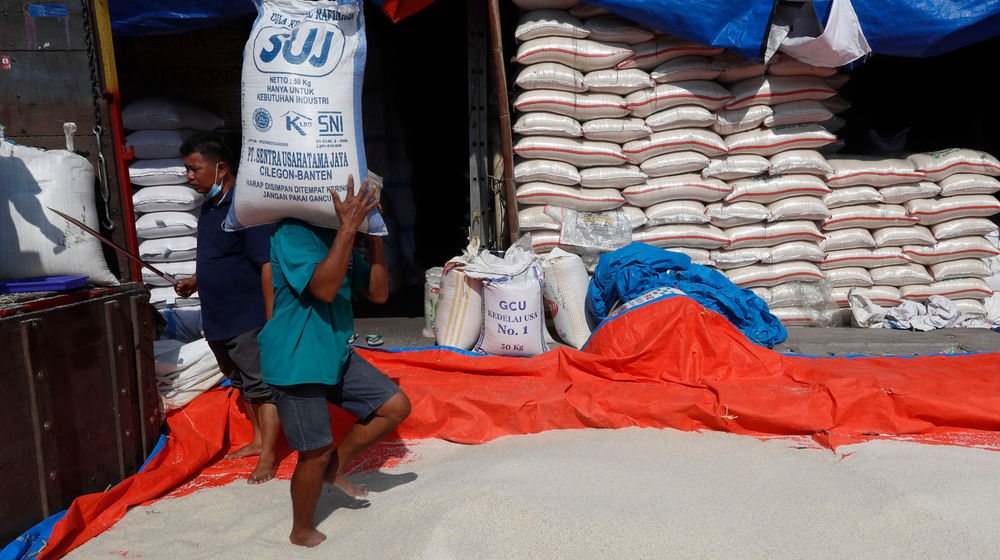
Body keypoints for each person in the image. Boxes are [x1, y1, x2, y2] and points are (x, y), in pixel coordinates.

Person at [259, 175, 411, 548]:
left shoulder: (339, 239)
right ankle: (301, 529)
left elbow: (377, 293)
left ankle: (332, 469)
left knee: (395, 406)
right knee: (314, 450)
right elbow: (324, 288)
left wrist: (374, 237)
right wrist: (347, 228)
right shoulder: (292, 233)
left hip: (333, 351)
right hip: (297, 360)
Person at [176, 133, 281, 484]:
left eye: (194, 169)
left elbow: (265, 264)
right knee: (240, 382)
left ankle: (269, 456)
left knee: (261, 386)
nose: (189, 176)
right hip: (217, 317)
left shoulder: (246, 208)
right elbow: (220, 256)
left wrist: (271, 318)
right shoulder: (209, 206)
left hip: (246, 315)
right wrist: (196, 280)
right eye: (187, 169)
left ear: (220, 167)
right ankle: (258, 440)